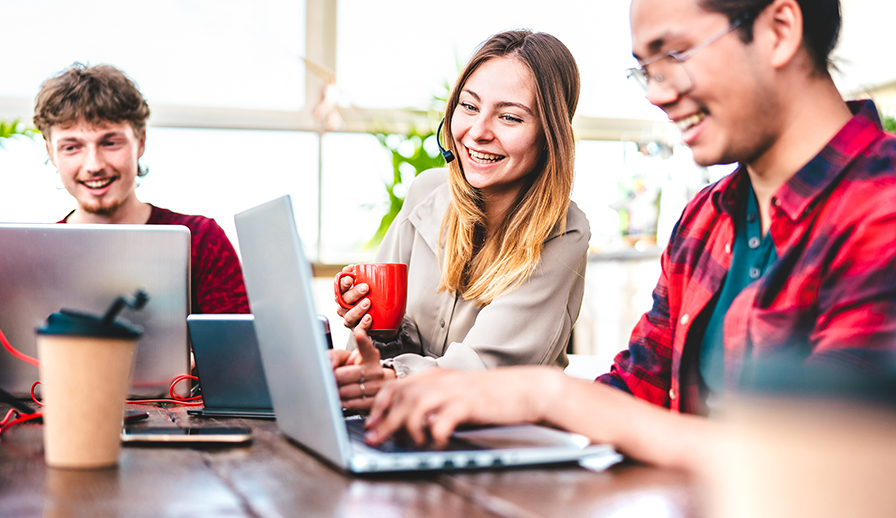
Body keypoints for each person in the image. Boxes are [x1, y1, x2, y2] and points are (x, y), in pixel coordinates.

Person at [362, 0, 896, 471]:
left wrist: (543, 392)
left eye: (676, 55)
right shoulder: (706, 220)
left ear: (779, 29)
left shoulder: (882, 206)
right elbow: (635, 394)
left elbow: (826, 460)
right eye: (646, 70)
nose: (658, 96)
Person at [331, 30, 590, 411]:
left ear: (549, 135)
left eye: (509, 117)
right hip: (403, 424)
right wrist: (374, 328)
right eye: (469, 107)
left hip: (500, 442)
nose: (478, 132)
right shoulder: (426, 194)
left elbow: (484, 371)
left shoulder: (563, 231)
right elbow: (368, 352)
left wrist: (387, 378)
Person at [32, 63, 250, 314]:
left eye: (110, 143)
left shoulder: (200, 241)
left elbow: (237, 352)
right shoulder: (35, 258)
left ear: (141, 142)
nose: (94, 165)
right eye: (72, 147)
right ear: (51, 152)